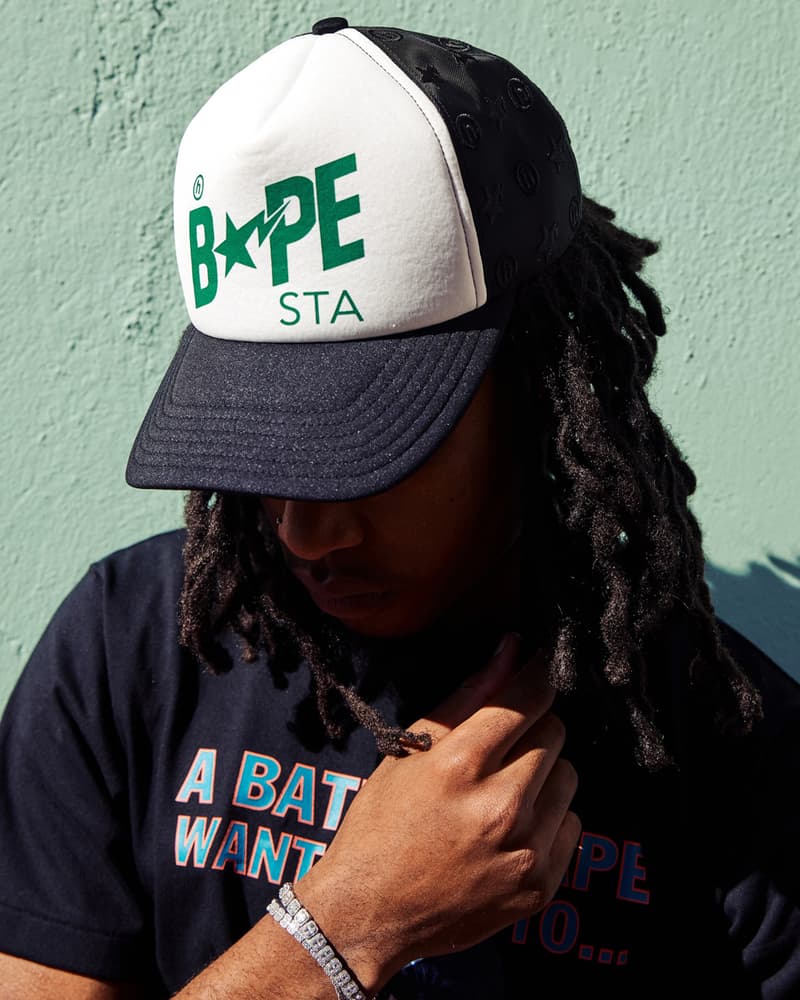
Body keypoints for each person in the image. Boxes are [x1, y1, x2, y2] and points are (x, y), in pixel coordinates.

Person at [0, 17, 798, 1000]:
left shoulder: (722, 745)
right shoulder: (130, 645)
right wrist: (343, 930)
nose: (304, 531)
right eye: (256, 448)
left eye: (364, 454)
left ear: (534, 391)